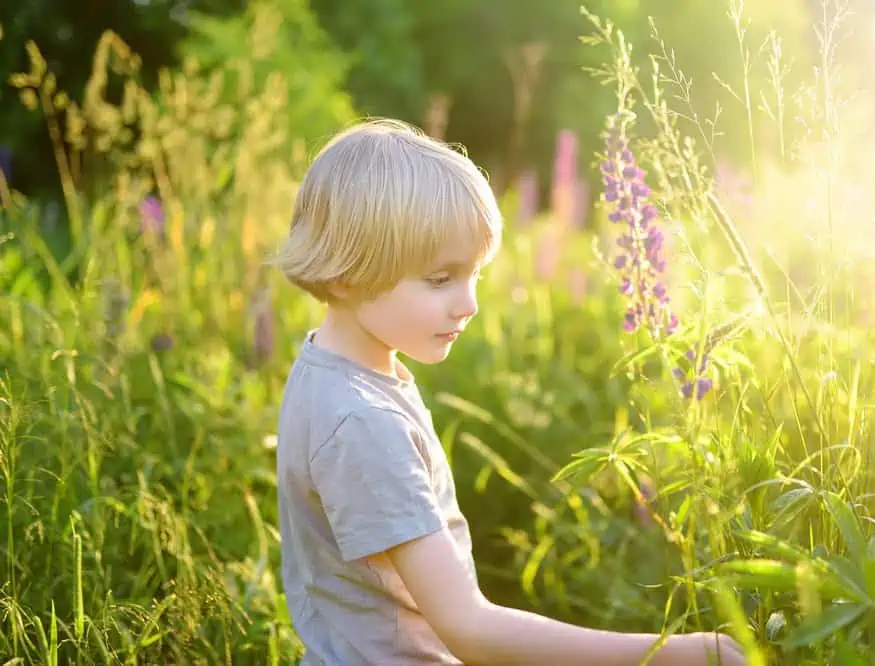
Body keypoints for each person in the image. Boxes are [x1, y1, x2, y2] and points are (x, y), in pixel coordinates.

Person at [271, 118, 745, 666]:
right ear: (347, 276)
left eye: (473, 275)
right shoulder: (361, 421)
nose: (469, 303)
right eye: (441, 279)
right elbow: (469, 629)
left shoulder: (336, 370)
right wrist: (667, 655)